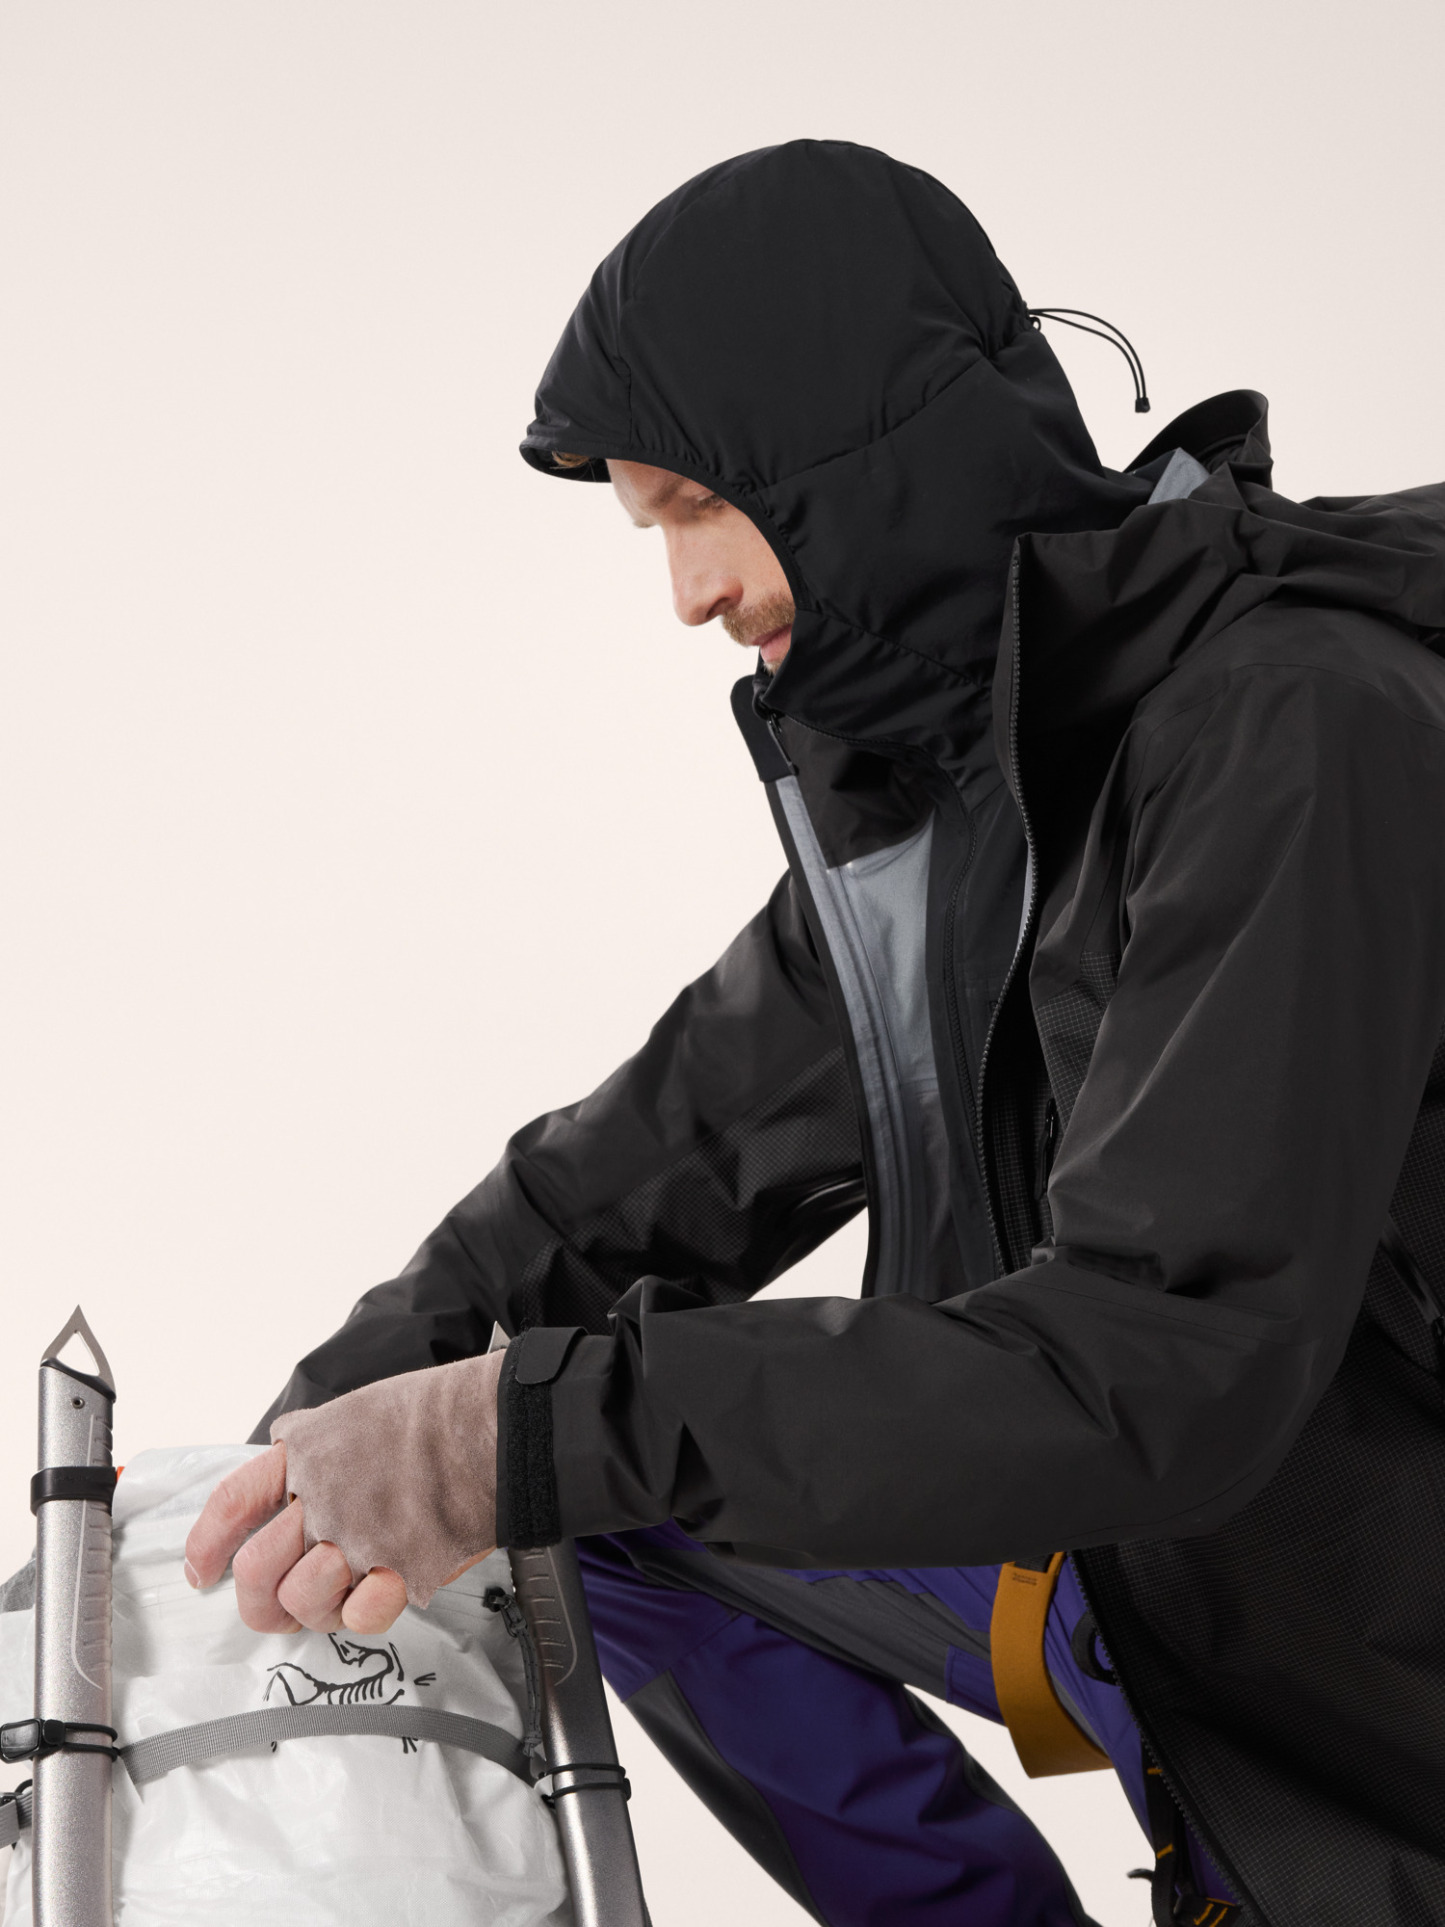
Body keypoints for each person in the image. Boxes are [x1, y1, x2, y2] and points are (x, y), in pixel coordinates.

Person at [185, 141, 1445, 1927]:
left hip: (1375, 1671)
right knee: (587, 1493)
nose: (687, 595)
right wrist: (321, 1438)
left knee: (568, 1444)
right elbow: (655, 1164)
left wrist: (500, 1438)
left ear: (860, 466)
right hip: (1175, 1555)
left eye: (699, 506)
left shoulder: (1292, 733)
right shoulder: (967, 790)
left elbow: (1168, 1356)